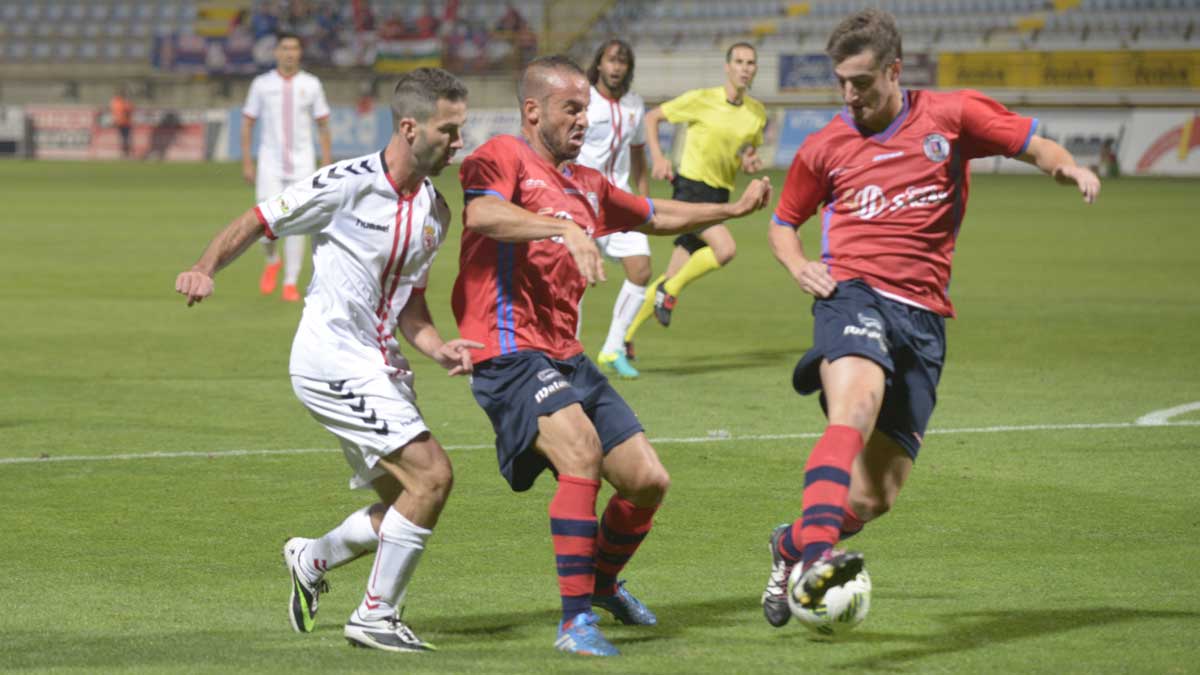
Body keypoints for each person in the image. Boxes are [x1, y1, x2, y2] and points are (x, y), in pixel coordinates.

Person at [759, 9, 1101, 627]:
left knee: (875, 495)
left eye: (861, 81)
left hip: (923, 319)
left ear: (894, 70)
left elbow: (1030, 142)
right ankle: (815, 559)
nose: (849, 95)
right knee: (855, 408)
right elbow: (783, 222)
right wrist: (798, 265)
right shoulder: (823, 147)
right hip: (852, 295)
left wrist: (1067, 166)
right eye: (840, 81)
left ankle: (789, 544)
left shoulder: (951, 115)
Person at [452, 55, 770, 657]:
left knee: (648, 480)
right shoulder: (501, 155)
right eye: (571, 109)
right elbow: (482, 213)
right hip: (508, 348)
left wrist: (730, 211)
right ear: (533, 110)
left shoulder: (589, 183)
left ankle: (600, 585)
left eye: (586, 111)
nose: (582, 120)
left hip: (565, 355)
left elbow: (656, 216)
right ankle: (574, 624)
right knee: (581, 455)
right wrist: (560, 229)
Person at [177, 68, 478, 652]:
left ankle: (312, 559)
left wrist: (438, 346)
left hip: (381, 363)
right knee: (434, 475)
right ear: (411, 128)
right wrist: (205, 268)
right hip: (331, 356)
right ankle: (375, 615)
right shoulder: (347, 184)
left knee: (403, 505)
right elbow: (259, 220)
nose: (459, 143)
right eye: (450, 129)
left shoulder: (436, 212)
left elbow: (410, 302)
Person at [624, 41, 767, 344]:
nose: (745, 68)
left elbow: (746, 150)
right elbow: (652, 118)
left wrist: (748, 160)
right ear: (727, 67)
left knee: (673, 271)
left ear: (756, 69)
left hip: (719, 195)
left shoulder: (757, 114)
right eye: (739, 62)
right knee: (725, 250)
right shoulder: (703, 99)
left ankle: (622, 341)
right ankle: (669, 292)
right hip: (690, 190)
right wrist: (659, 157)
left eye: (750, 63)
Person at [576, 39, 650, 379]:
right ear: (599, 64)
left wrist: (644, 202)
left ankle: (611, 349)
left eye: (622, 61)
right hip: (580, 199)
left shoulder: (635, 104)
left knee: (641, 270)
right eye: (610, 60)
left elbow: (638, 154)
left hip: (619, 200)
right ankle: (568, 352)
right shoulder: (584, 100)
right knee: (573, 280)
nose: (616, 67)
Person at [242, 31, 333, 303]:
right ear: (276, 53)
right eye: (284, 48)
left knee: (298, 222)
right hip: (269, 162)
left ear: (300, 52)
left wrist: (326, 161)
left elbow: (323, 124)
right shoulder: (261, 84)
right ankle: (272, 261)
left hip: (303, 162)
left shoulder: (312, 84)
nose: (289, 53)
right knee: (263, 224)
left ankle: (290, 282)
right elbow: (248, 123)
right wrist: (248, 161)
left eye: (294, 48)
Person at [110, 86, 135, 159]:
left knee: (126, 138)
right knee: (124, 138)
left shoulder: (123, 101)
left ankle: (127, 153)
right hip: (120, 122)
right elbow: (115, 111)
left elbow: (130, 109)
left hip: (126, 122)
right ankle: (125, 153)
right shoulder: (117, 101)